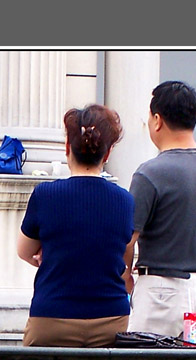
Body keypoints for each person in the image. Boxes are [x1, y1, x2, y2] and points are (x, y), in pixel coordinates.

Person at [125, 81, 196, 349]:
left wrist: (126, 274)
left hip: (160, 292)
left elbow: (127, 238)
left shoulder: (149, 173)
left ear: (157, 120)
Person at [16, 105, 133, 347]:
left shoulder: (45, 195)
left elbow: (24, 251)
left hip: (51, 316)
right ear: (108, 153)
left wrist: (47, 255)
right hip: (111, 318)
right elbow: (118, 254)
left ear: (68, 147)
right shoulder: (125, 201)